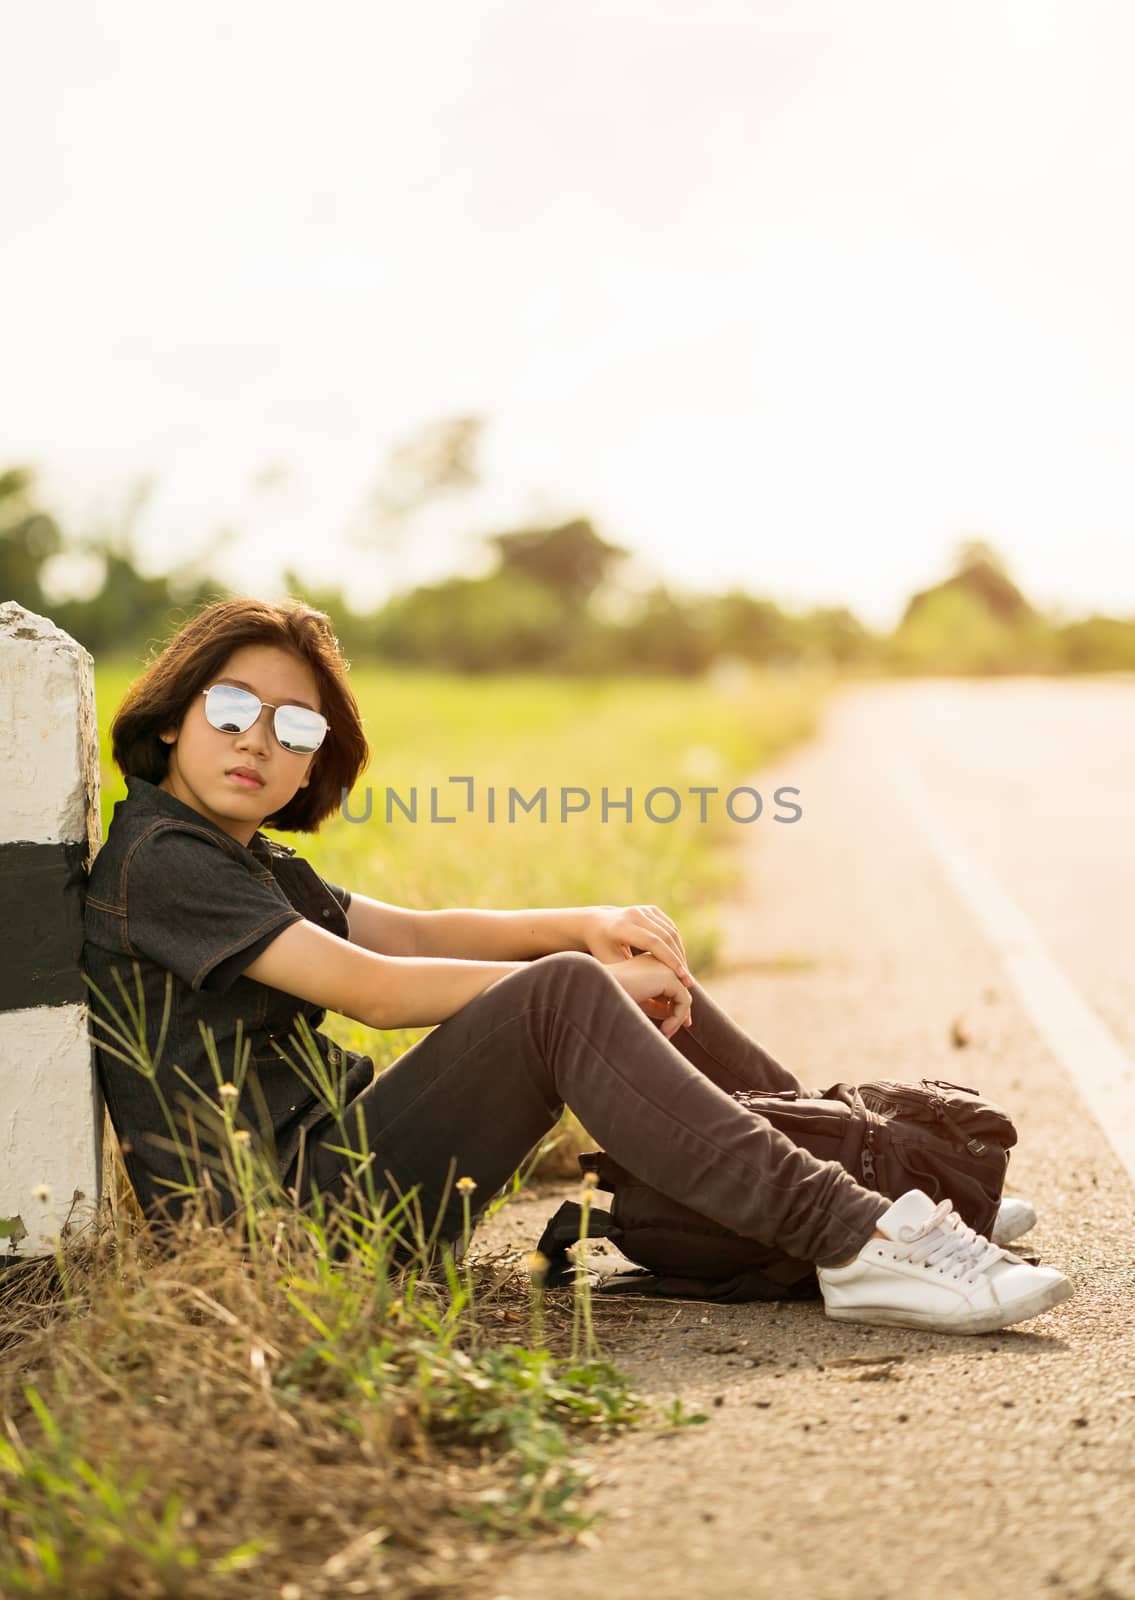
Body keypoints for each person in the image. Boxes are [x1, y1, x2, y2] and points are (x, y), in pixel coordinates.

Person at [81, 597, 1073, 1336]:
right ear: (174, 716)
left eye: (293, 727)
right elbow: (374, 990)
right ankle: (855, 1238)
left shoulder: (234, 856)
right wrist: (578, 981)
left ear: (311, 762)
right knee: (562, 995)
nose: (257, 738)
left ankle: (860, 1167)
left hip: (336, 1188)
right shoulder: (163, 859)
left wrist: (590, 923)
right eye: (232, 708)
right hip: (288, 1234)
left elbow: (413, 934)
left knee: (583, 966)